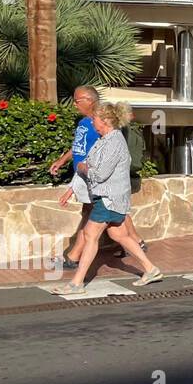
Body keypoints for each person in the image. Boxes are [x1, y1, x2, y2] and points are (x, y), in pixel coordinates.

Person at [50, 102, 162, 295]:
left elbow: (99, 174)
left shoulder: (114, 142)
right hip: (108, 197)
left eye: (95, 119)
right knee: (119, 235)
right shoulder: (104, 140)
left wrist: (83, 168)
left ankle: (77, 283)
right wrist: (75, 183)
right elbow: (88, 164)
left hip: (109, 198)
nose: (92, 122)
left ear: (105, 121)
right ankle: (151, 270)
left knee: (89, 235)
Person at [51, 85, 145, 269]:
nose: (74, 105)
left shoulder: (101, 125)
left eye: (77, 101)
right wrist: (62, 160)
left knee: (96, 216)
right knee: (110, 217)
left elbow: (105, 151)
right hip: (84, 175)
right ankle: (139, 247)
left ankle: (74, 259)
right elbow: (78, 146)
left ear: (89, 101)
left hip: (93, 176)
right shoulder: (84, 123)